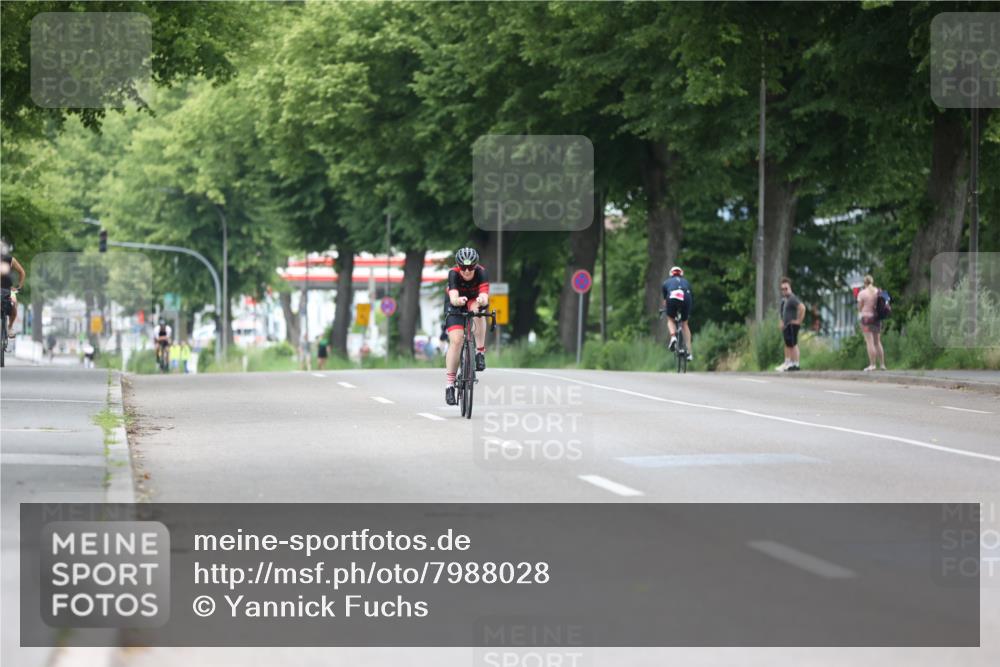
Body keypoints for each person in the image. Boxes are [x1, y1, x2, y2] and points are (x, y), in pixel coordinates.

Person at [444, 247, 489, 406]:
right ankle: (449, 385)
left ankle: (479, 352)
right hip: (455, 303)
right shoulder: (453, 274)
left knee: (478, 311)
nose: (468, 271)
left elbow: (483, 294)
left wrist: (482, 300)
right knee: (456, 340)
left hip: (473, 300)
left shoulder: (481, 272)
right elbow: (454, 296)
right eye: (464, 267)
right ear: (458, 265)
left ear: (476, 265)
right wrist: (458, 301)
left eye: (471, 267)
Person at [661, 266, 693, 361]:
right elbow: (691, 296)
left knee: (670, 320)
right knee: (685, 324)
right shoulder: (686, 282)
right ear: (681, 274)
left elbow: (665, 302)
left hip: (672, 296)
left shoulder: (666, 283)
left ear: (671, 274)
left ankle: (673, 337)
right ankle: (689, 352)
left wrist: (666, 310)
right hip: (686, 297)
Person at [857, 274, 887, 371]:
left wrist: (861, 309)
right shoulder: (878, 291)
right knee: (877, 342)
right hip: (876, 318)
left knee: (869, 342)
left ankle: (872, 365)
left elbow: (860, 307)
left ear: (864, 283)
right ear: (872, 281)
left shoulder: (862, 293)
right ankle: (882, 364)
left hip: (866, 319)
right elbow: (886, 301)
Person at [777, 277, 806, 371]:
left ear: (790, 288)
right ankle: (788, 362)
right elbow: (783, 313)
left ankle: (796, 363)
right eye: (782, 289)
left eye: (786, 288)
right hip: (786, 325)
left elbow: (802, 308)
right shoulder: (785, 300)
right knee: (787, 344)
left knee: (793, 344)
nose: (784, 291)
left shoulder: (792, 298)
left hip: (792, 325)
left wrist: (798, 321)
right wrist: (782, 321)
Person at [1, 239, 26, 338]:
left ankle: (10, 327)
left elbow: (22, 272)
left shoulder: (10, 260)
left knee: (14, 303)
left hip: (9, 289)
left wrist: (19, 287)